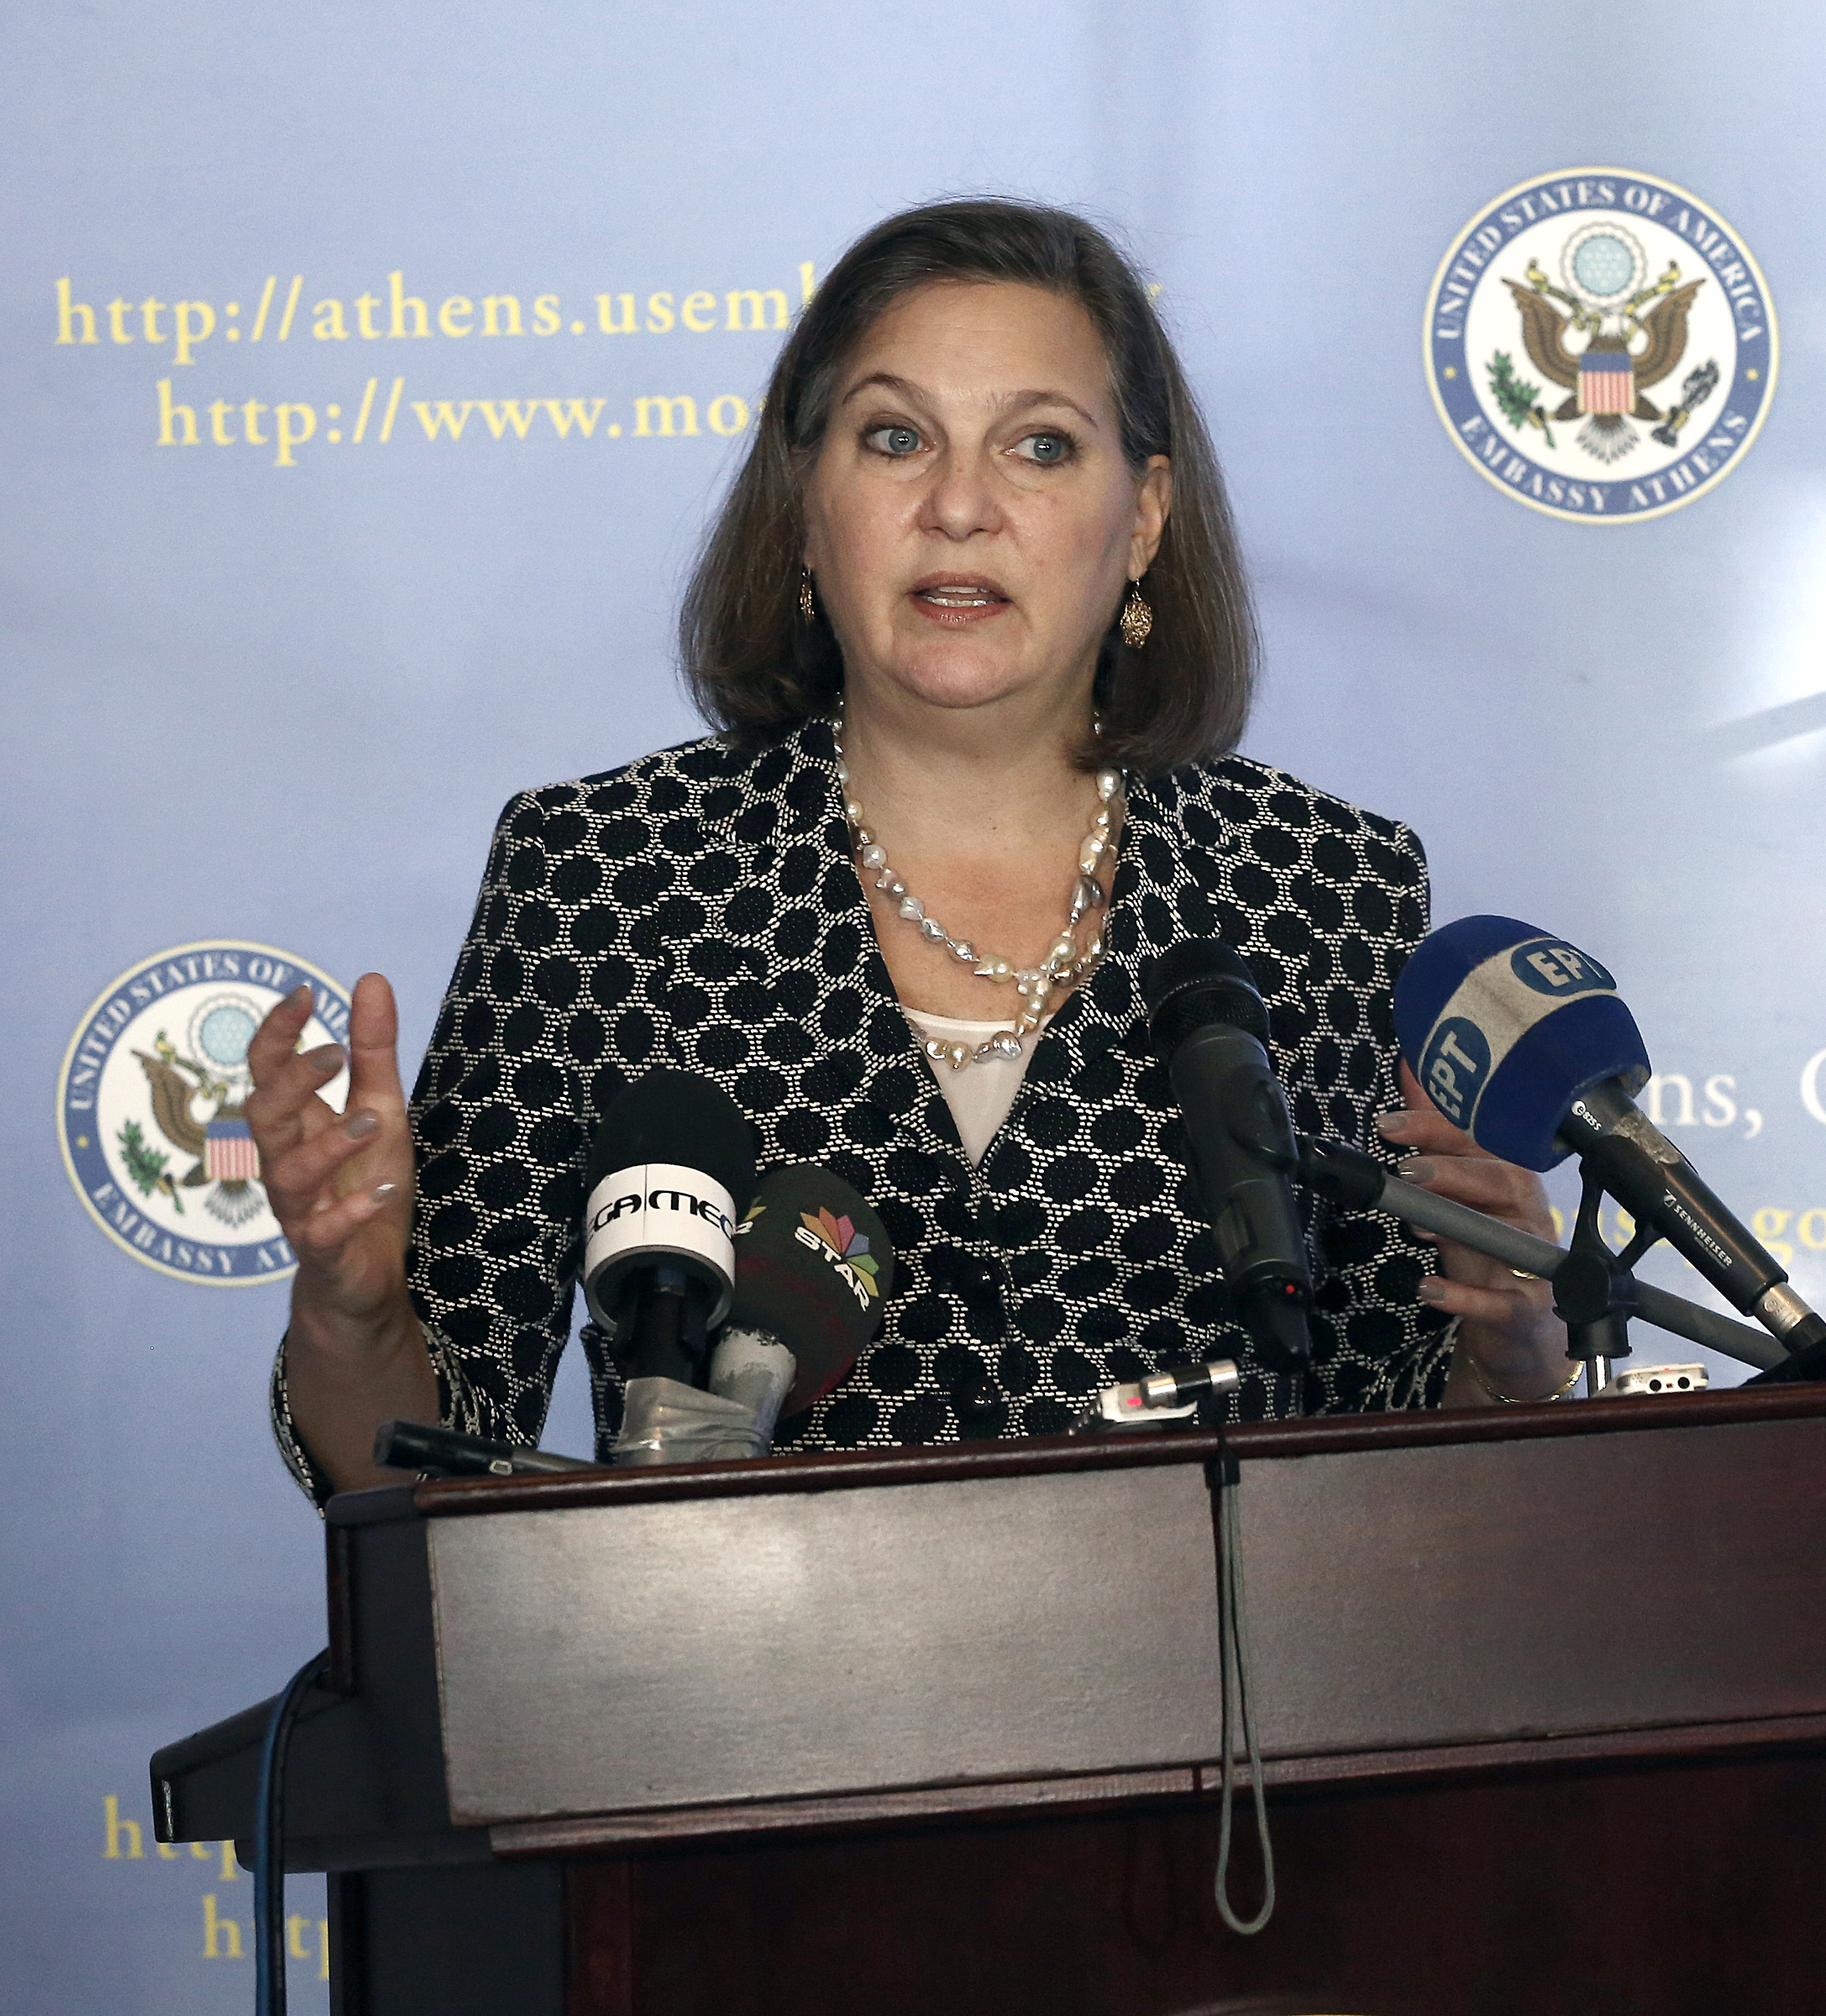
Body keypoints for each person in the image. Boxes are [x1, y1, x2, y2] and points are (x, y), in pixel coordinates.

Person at [251, 198, 1575, 1502]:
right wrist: (356, 1320)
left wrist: (1510, 1367)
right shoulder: (603, 878)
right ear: (807, 506)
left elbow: (1402, 1473)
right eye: (896, 439)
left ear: (1146, 517)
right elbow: (420, 1472)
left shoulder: (1320, 892)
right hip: (733, 1703)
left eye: (1041, 448)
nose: (959, 506)